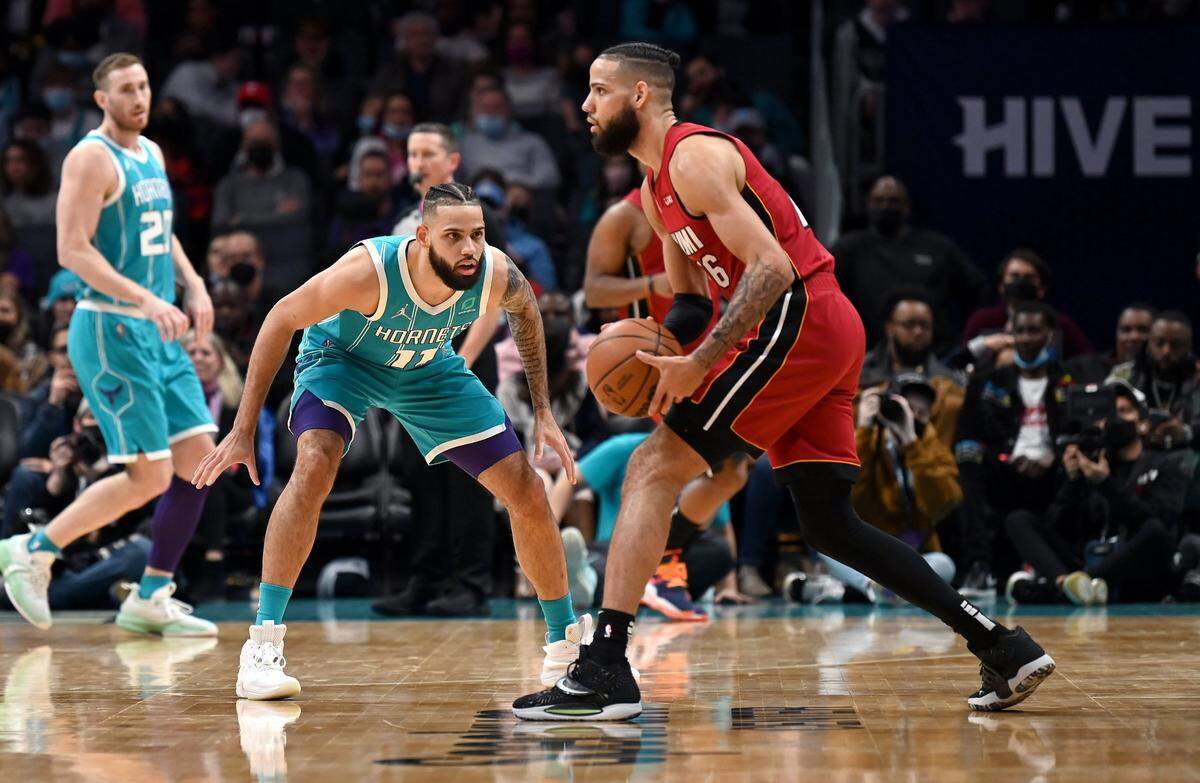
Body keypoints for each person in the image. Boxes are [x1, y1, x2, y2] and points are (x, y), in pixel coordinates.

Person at [513, 42, 1055, 721]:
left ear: (641, 96)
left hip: (797, 314)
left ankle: (604, 665)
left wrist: (700, 362)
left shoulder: (694, 157)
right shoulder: (655, 191)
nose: (586, 106)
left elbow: (769, 269)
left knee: (652, 466)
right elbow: (687, 305)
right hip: (817, 327)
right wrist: (661, 356)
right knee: (829, 523)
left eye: (598, 91)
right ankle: (1002, 644)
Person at [192, 183, 586, 701]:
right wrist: (243, 429)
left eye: (477, 235)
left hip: (427, 369)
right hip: (342, 362)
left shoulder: (493, 272)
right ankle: (262, 646)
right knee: (314, 465)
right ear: (423, 238)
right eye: (454, 237)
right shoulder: (368, 272)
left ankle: (565, 646)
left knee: (526, 489)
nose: (469, 248)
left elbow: (526, 311)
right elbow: (280, 319)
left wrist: (542, 411)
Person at [0, 53, 219, 637]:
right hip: (112, 329)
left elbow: (162, 229)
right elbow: (72, 251)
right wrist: (147, 299)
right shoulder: (89, 158)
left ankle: (150, 594)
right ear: (102, 99)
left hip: (159, 329)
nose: (140, 98)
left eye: (144, 86)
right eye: (126, 89)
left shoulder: (150, 153)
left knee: (199, 466)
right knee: (148, 476)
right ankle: (33, 550)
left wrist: (194, 284)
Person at [1006, 381, 1187, 605]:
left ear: (1143, 423)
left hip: (1133, 568)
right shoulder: (1090, 461)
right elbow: (1057, 526)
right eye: (1111, 412)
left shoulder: (1164, 463)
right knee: (1019, 520)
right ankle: (1066, 583)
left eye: (1124, 411)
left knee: (1156, 530)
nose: (1115, 419)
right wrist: (1072, 481)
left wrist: (1105, 483)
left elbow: (1159, 523)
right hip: (1088, 558)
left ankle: (1072, 587)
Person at [953, 302, 1069, 598]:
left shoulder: (1069, 379)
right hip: (1006, 468)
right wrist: (1008, 455)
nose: (1027, 338)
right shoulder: (991, 380)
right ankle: (978, 566)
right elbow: (975, 429)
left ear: (1050, 334)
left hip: (1057, 469)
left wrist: (1056, 454)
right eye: (1020, 331)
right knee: (967, 451)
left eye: (1034, 330)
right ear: (1010, 334)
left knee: (1081, 456)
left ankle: (1069, 563)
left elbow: (1077, 427)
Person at [832, 175, 987, 353]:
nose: (885, 206)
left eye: (893, 201)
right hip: (869, 355)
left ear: (906, 206)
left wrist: (959, 337)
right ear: (868, 204)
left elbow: (977, 289)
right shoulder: (849, 249)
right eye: (879, 200)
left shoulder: (937, 247)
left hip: (935, 354)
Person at [859, 287, 967, 447]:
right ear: (890, 327)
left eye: (925, 326)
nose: (918, 332)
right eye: (909, 325)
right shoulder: (861, 377)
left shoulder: (950, 385)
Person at [962, 248, 1093, 362]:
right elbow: (959, 363)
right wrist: (985, 345)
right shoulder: (982, 321)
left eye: (1029, 277)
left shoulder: (1059, 324)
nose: (1021, 282)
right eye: (1014, 276)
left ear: (1041, 289)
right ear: (1001, 286)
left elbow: (1087, 362)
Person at [1107, 311, 1200, 452]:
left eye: (1176, 345)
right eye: (1159, 343)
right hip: (1135, 458)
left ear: (1189, 347)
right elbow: (1103, 419)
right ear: (1149, 342)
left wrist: (1188, 433)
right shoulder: (1122, 377)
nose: (1166, 351)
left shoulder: (1197, 377)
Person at [1067, 303, 1156, 385]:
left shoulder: (1161, 377)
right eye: (1126, 330)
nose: (1134, 337)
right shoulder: (1086, 369)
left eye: (1143, 330)